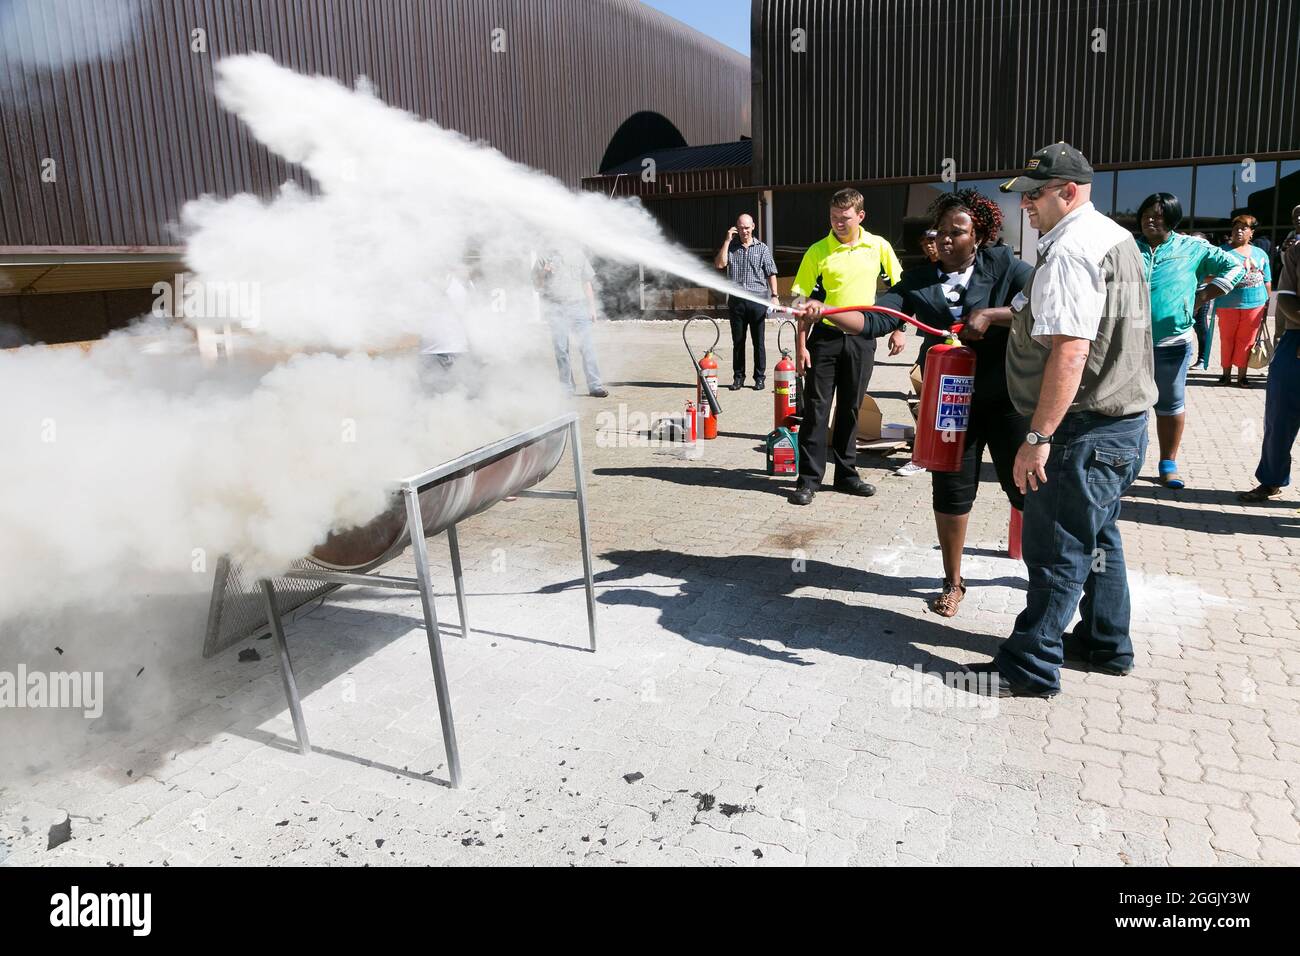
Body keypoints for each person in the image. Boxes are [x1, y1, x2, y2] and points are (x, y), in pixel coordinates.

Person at [959, 142, 1156, 698]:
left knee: (1055, 549)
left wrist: (1038, 437)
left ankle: (1029, 666)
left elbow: (1070, 350)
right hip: (1121, 424)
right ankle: (1103, 642)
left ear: (1067, 192)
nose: (1026, 205)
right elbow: (1051, 313)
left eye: (1035, 195)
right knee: (1099, 538)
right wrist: (995, 316)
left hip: (1080, 430)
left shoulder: (1070, 250)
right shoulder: (1112, 238)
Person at [816, 189, 1032, 617]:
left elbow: (1041, 303)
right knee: (950, 493)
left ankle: (1045, 576)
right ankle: (953, 582)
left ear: (981, 235)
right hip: (950, 403)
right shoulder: (918, 280)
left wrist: (992, 316)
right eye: (941, 232)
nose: (947, 240)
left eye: (959, 232)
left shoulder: (1004, 265)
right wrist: (826, 310)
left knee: (1025, 490)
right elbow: (876, 318)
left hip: (1007, 399)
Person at [788, 188, 905, 506]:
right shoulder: (817, 252)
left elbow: (900, 291)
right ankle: (808, 480)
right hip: (824, 340)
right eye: (834, 218)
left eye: (845, 218)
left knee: (851, 408)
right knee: (816, 410)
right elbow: (800, 302)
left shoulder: (878, 247)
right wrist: (801, 345)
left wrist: (899, 329)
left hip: (862, 340)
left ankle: (846, 475)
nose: (839, 223)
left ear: (860, 216)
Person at [1136, 194, 1243, 488]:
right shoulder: (1129, 248)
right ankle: (1127, 463)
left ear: (1172, 218)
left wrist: (1206, 294)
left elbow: (1235, 266)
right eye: (1146, 214)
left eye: (1158, 215)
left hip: (1172, 343)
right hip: (1130, 343)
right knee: (1129, 405)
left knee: (1169, 405)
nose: (1150, 219)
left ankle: (1167, 463)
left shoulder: (1192, 247)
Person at [1238, 235, 1300, 502]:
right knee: (1279, 417)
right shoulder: (1296, 252)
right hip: (1295, 342)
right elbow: (1285, 299)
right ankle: (1271, 479)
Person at [893, 228, 942, 479]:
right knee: (923, 398)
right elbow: (907, 304)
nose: (930, 247)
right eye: (926, 243)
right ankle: (921, 455)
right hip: (931, 345)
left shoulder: (961, 269)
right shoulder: (921, 273)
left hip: (963, 347)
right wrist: (899, 329)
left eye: (933, 241)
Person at [714, 214, 780, 390]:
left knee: (758, 342)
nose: (744, 231)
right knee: (738, 341)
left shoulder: (762, 248)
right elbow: (720, 264)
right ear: (736, 228)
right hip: (737, 302)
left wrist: (774, 295)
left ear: (753, 227)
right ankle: (738, 377)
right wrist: (727, 241)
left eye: (747, 227)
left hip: (757, 301)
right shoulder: (731, 247)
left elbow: (771, 273)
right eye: (741, 228)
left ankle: (759, 377)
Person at [534, 244, 608, 398]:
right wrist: (543, 272)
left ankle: (595, 386)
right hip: (556, 308)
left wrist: (592, 308)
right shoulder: (543, 256)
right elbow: (536, 285)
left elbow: (586, 283)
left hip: (579, 307)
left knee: (587, 347)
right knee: (561, 350)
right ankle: (566, 389)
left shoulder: (578, 254)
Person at [1215, 214, 1272, 387]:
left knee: (1246, 341)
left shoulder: (1260, 253)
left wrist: (1267, 302)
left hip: (1255, 304)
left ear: (1251, 233)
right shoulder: (1221, 252)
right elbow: (1209, 275)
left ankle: (1242, 376)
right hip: (1227, 304)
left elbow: (1267, 280)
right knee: (1227, 339)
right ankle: (1226, 374)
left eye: (1243, 228)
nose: (1238, 231)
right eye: (1235, 228)